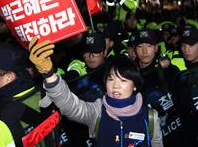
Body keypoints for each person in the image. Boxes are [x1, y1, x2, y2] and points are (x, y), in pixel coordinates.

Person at [28, 37, 163, 146]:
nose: (115, 86)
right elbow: (69, 105)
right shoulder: (97, 112)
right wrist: (49, 74)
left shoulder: (150, 117)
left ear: (135, 85)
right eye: (111, 79)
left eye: (123, 81)